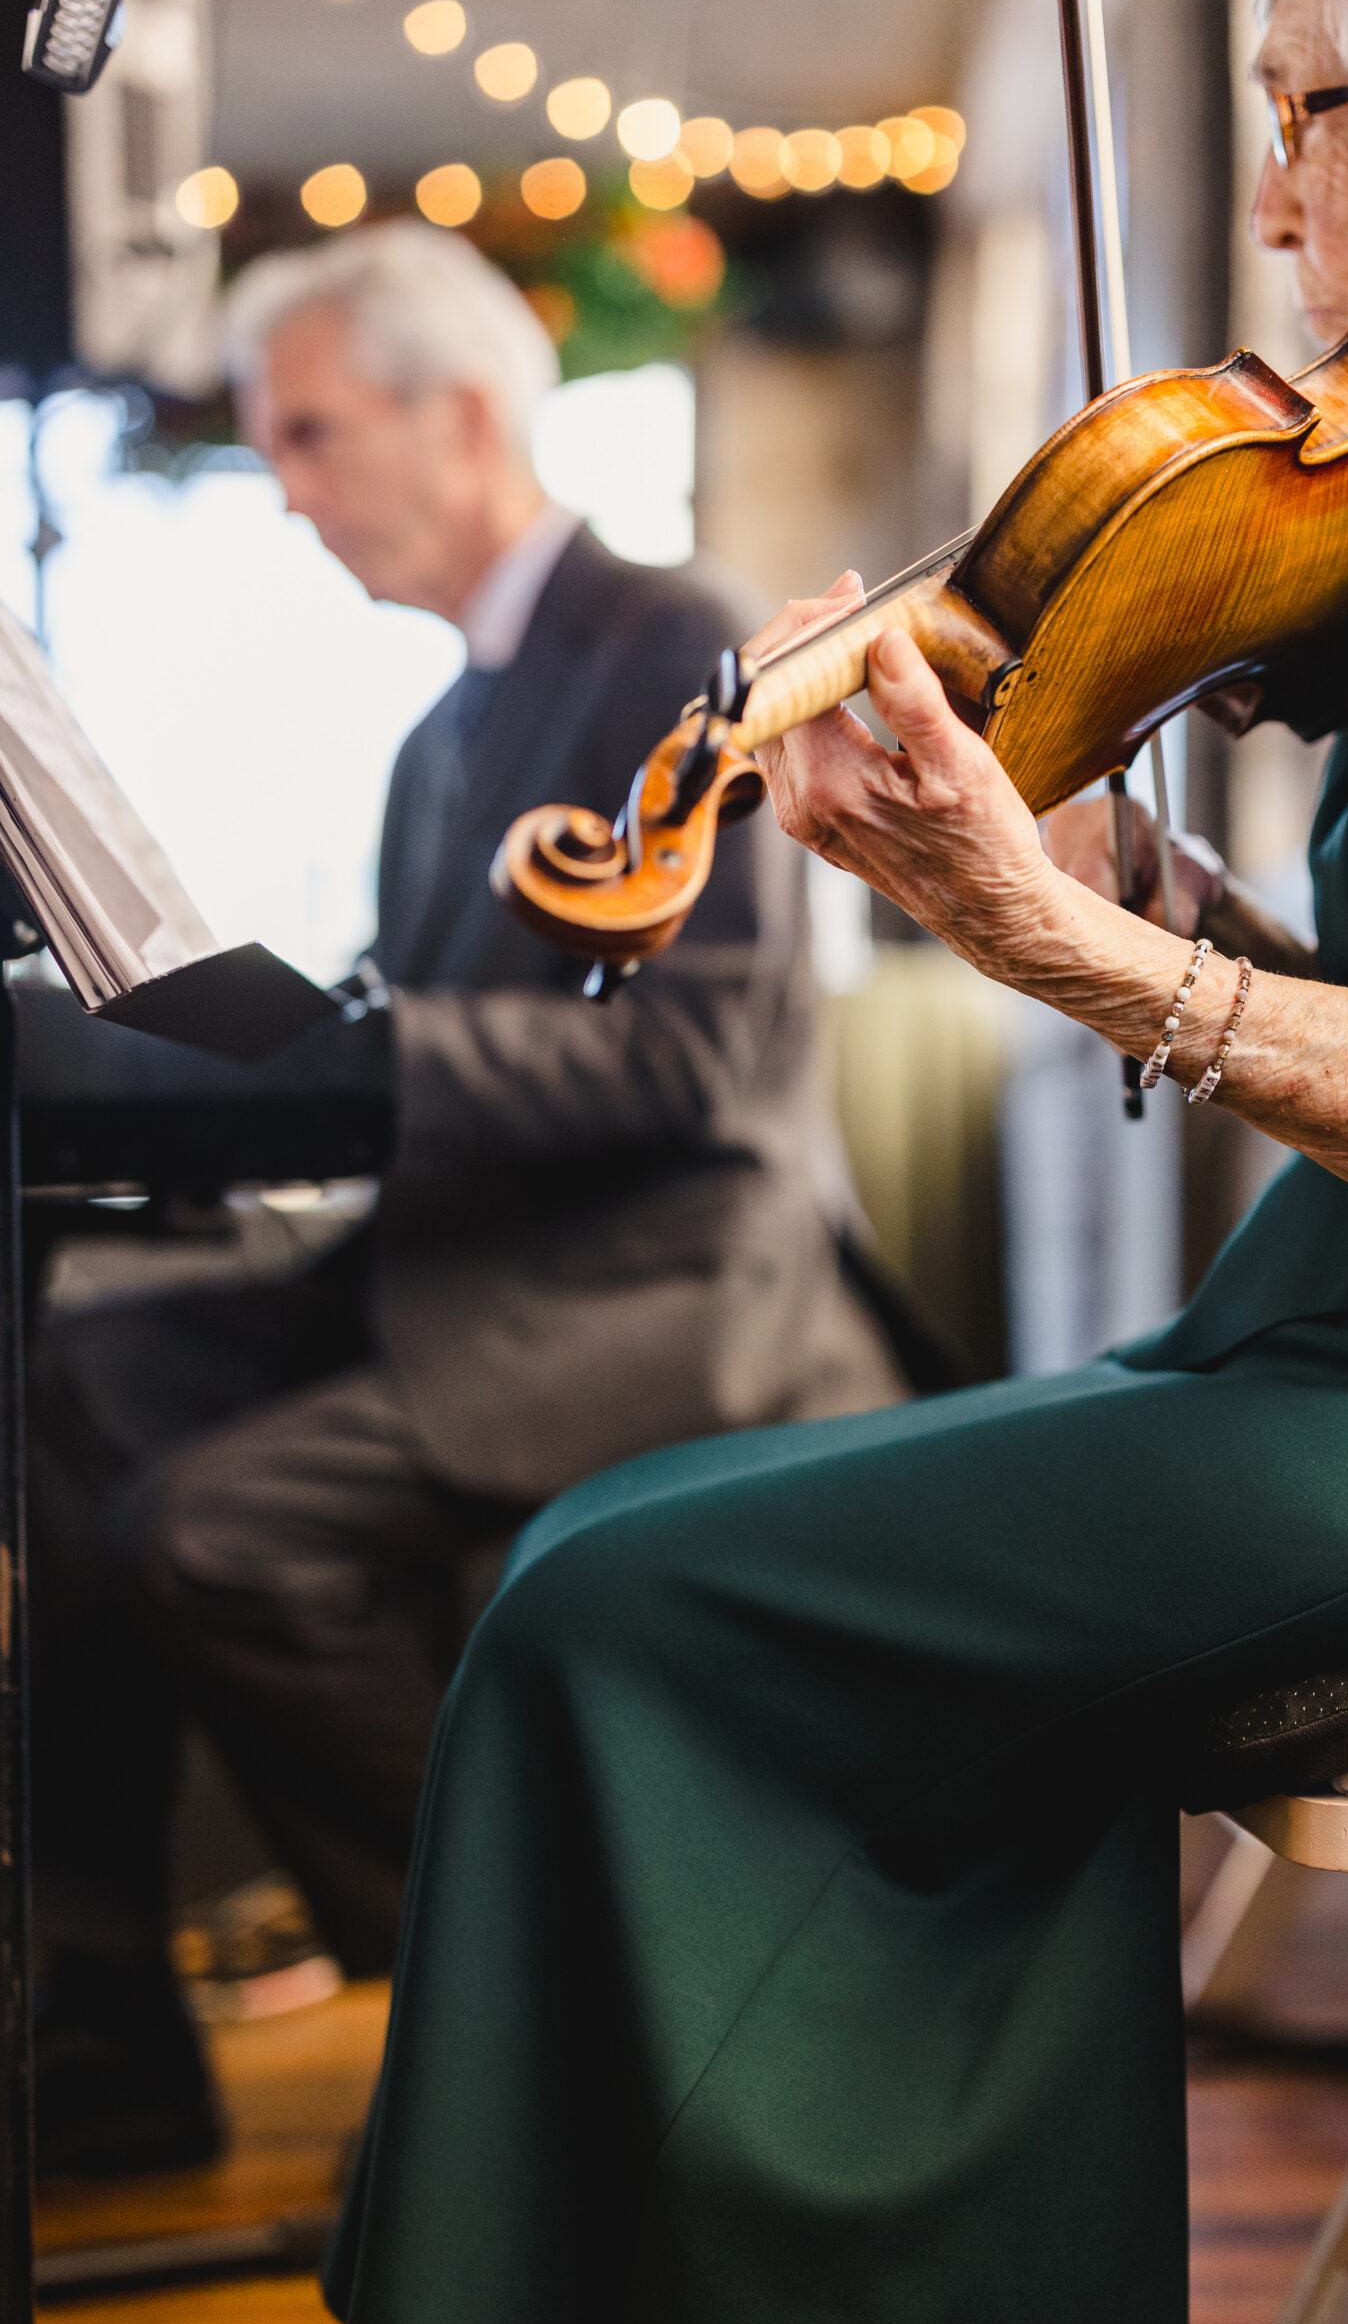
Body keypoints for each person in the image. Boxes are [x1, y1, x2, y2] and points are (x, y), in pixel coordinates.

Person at [313, 0, 1348, 2324]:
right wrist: (1122, 885)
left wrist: (1085, 964)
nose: (1281, 206)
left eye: (1314, 122)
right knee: (612, 1554)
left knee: (631, 1609)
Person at [26, 221, 906, 2177]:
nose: (289, 486)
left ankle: (546, 2019)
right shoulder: (445, 727)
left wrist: (354, 1051)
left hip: (645, 1299)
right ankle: (102, 2022)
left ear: (467, 415)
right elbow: (394, 1043)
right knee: (74, 1384)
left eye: (313, 434)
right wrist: (174, 1073)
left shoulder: (675, 638)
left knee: (209, 1530)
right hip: (463, 1265)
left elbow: (688, 1065)